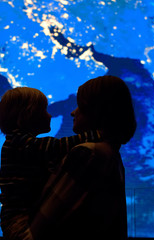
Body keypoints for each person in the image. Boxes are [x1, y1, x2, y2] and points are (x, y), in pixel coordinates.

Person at [30, 75, 137, 239]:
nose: (73, 112)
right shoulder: (110, 154)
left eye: (80, 106)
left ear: (95, 110)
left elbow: (43, 224)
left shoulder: (88, 153)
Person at [0, 87, 103, 240]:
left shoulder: (21, 143)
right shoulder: (18, 142)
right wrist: (98, 134)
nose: (50, 115)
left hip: (25, 218)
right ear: (28, 115)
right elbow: (57, 147)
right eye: (44, 110)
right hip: (19, 221)